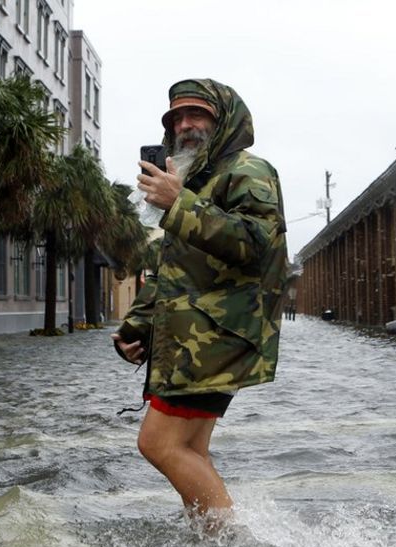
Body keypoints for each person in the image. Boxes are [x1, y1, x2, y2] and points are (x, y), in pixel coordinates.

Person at [111, 79, 287, 523]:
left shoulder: (248, 171)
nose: (185, 125)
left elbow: (254, 244)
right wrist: (137, 328)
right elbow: (179, 271)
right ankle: (213, 542)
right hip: (197, 338)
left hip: (218, 336)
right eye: (176, 119)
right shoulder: (194, 181)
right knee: (188, 448)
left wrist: (177, 204)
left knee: (159, 444)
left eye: (197, 115)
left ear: (222, 118)